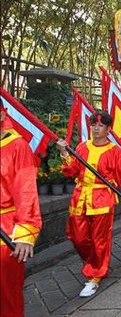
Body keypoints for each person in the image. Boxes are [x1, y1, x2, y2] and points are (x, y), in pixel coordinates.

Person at [57, 110, 121, 297]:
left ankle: (95, 275)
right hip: (80, 197)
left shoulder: (114, 151)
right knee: (77, 237)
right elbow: (71, 171)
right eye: (93, 125)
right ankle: (95, 263)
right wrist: (63, 152)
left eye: (100, 125)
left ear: (108, 129)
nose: (96, 128)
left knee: (99, 239)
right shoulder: (82, 147)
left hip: (102, 198)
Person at [0, 99, 42, 316]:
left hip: (6, 228)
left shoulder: (17, 146)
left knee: (6, 292)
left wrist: (26, 230)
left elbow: (26, 189)